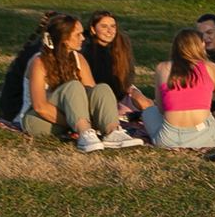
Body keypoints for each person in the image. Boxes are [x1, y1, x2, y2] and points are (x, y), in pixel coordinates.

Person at [11, 12, 142, 151]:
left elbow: (93, 96)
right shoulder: (39, 62)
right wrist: (76, 122)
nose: (83, 38)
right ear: (64, 38)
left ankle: (112, 132)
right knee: (73, 86)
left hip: (70, 119)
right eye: (78, 34)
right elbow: (39, 106)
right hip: (40, 119)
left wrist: (89, 117)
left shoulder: (79, 59)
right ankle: (84, 133)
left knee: (101, 88)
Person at [140, 28, 215, 150]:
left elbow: (161, 108)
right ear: (201, 44)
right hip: (204, 136)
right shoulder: (211, 68)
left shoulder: (162, 68)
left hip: (169, 138)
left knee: (149, 112)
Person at [81, 10, 146, 115]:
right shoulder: (85, 48)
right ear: (93, 29)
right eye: (104, 27)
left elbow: (128, 74)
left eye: (113, 26)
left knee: (143, 102)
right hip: (97, 92)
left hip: (122, 91)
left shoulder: (122, 44)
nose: (110, 31)